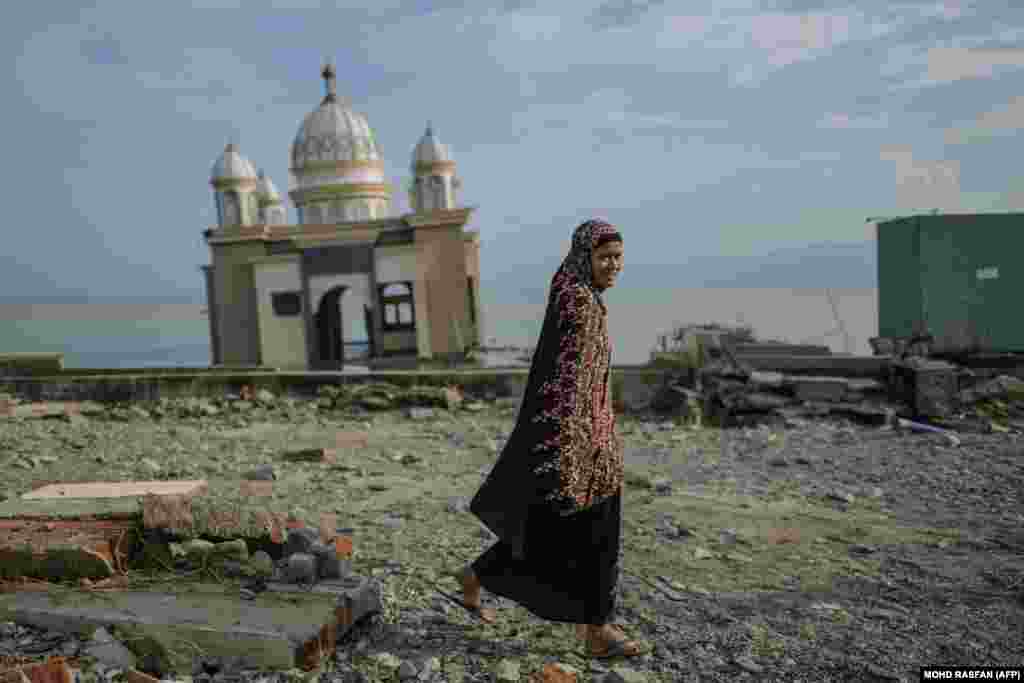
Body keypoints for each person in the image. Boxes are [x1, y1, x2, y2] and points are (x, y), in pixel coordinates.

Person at [442, 218, 641, 659]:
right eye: (605, 257)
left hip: (589, 439)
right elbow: (566, 380)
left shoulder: (577, 293)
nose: (613, 266)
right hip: (578, 445)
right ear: (584, 257)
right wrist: (572, 447)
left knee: (560, 533)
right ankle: (597, 630)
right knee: (590, 535)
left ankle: (476, 576)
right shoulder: (578, 302)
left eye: (618, 258)